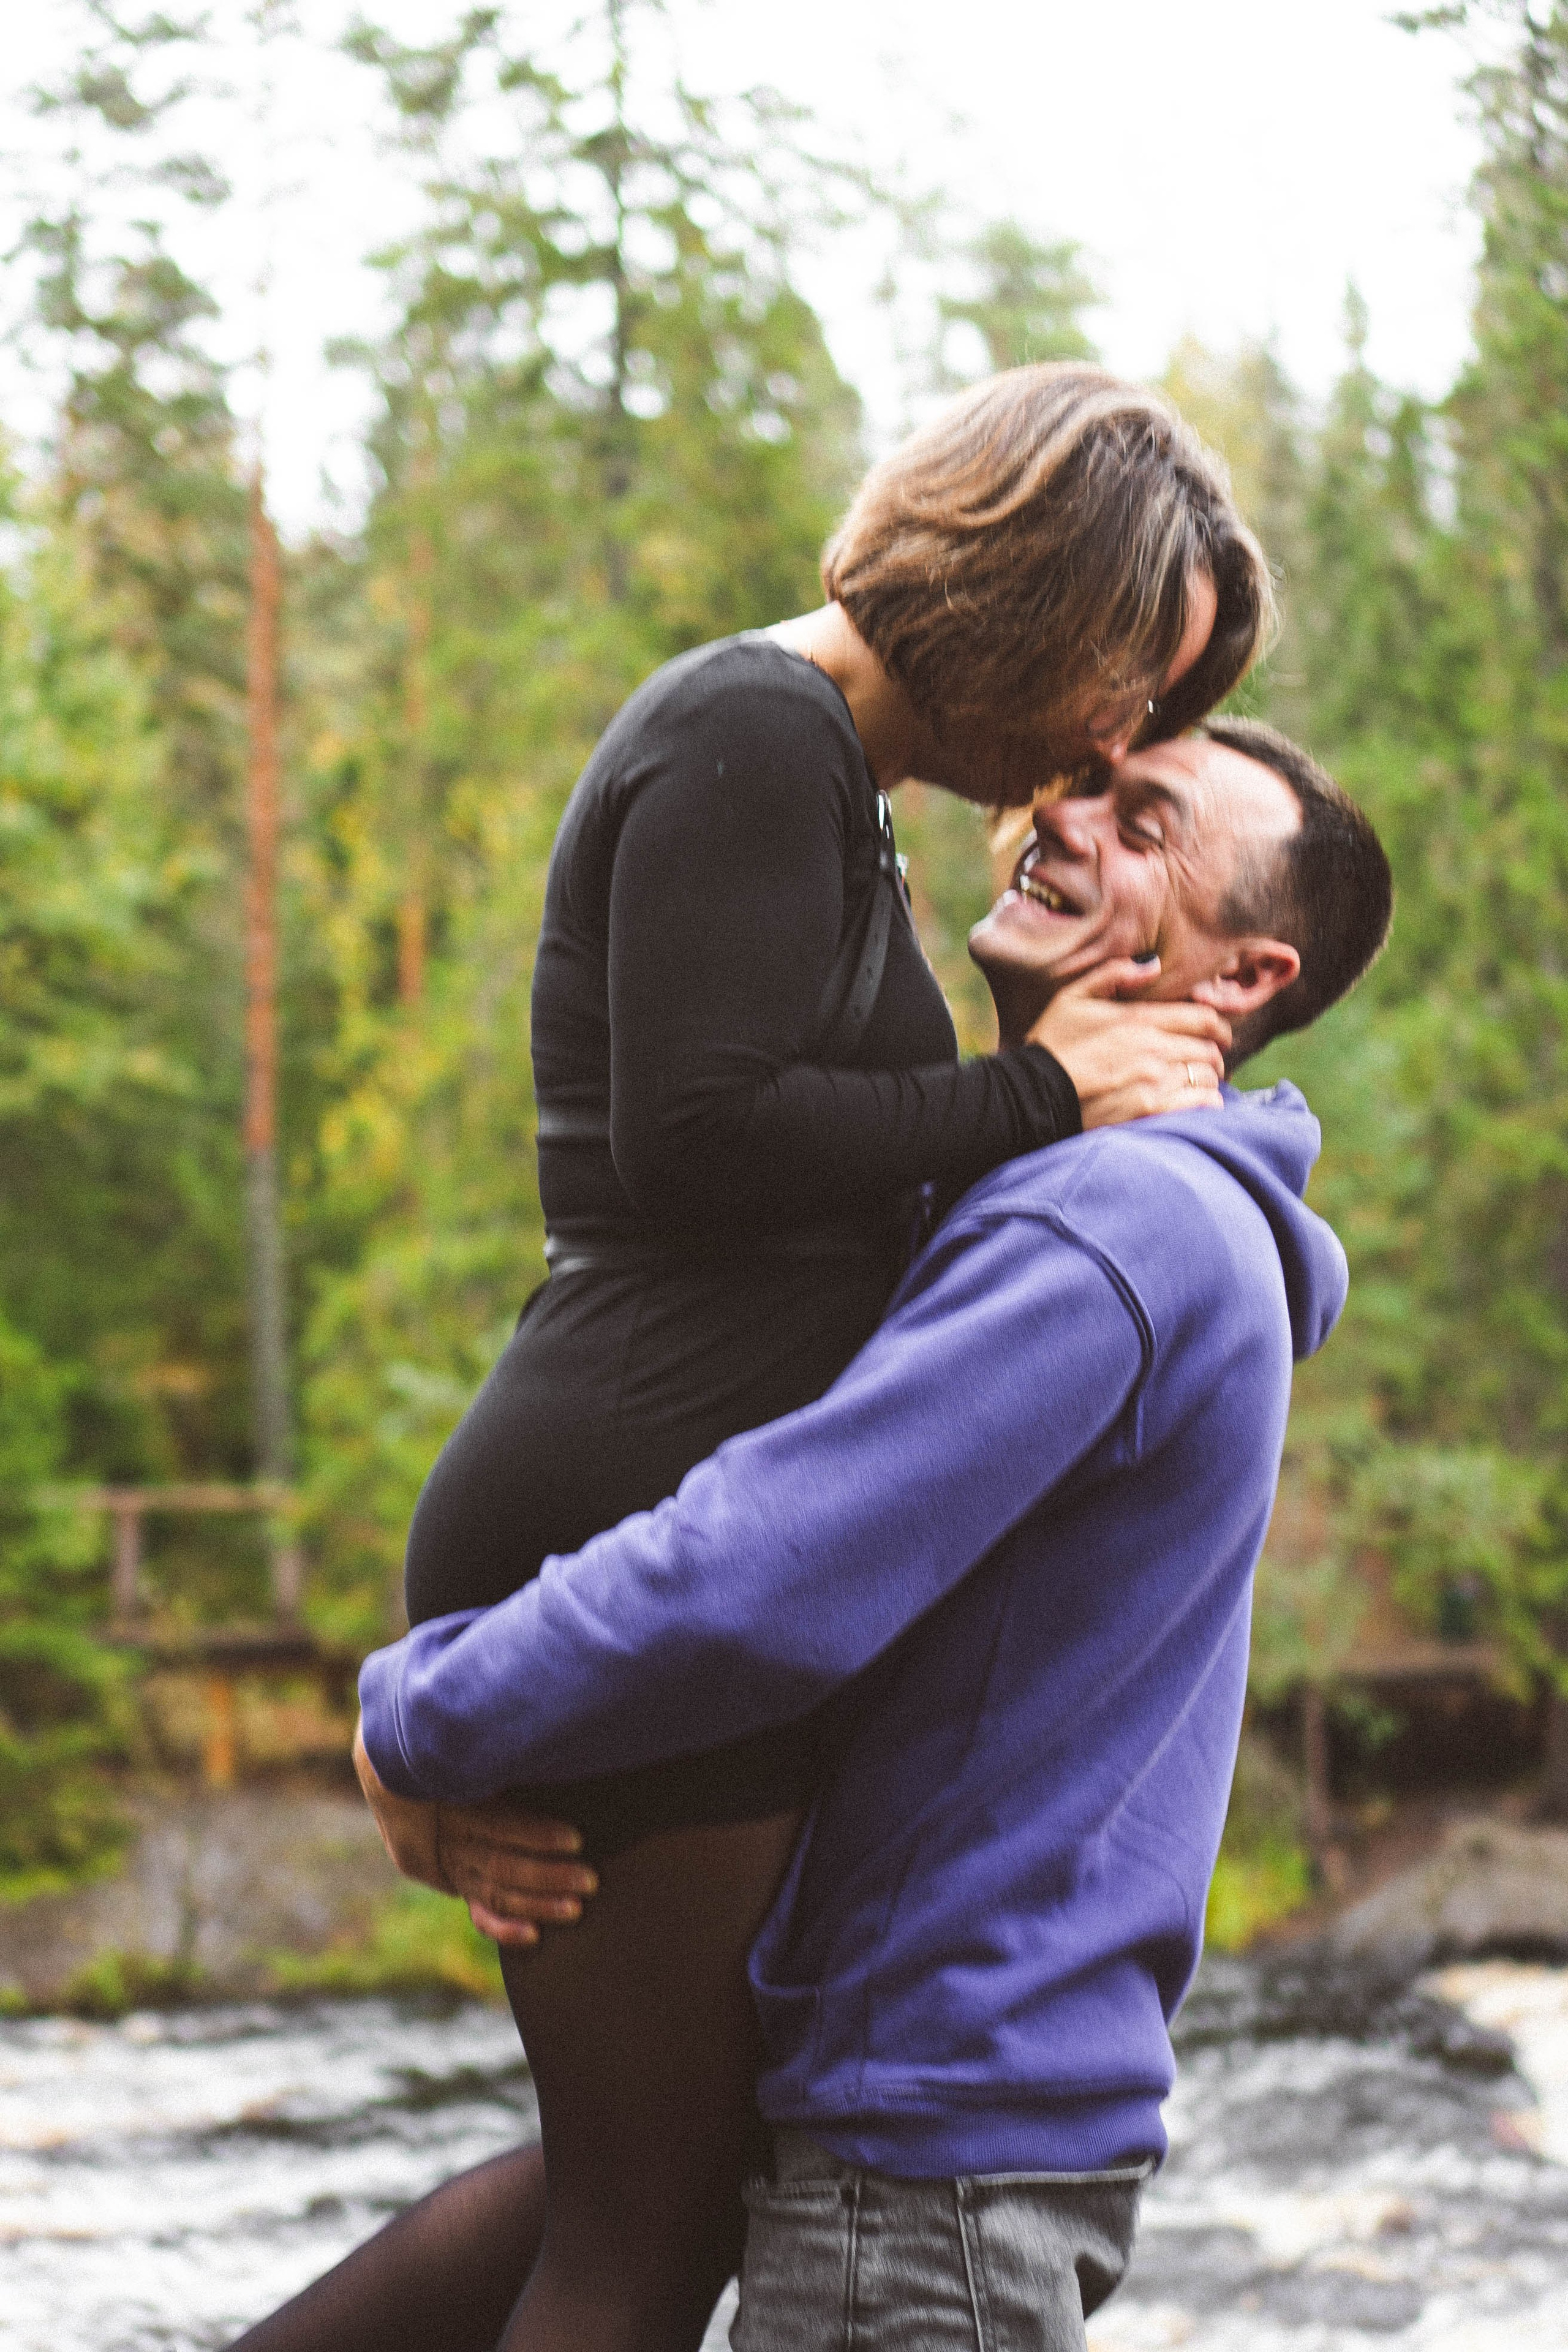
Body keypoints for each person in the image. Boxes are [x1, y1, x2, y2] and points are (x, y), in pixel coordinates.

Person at [230, 367, 1273, 2352]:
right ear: (1040, 591)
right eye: (1132, 686)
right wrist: (1041, 1093)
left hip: (655, 1507)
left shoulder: (831, 787)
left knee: (646, 2188)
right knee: (641, 2233)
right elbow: (694, 1138)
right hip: (620, 1505)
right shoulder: (748, 733)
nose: (1111, 739)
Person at [356, 717, 1393, 2351]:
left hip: (929, 2176)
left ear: (1244, 976)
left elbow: (763, 1577)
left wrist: (417, 1714)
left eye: (1145, 826)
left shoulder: (1112, 1227)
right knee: (592, 2207)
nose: (1068, 821)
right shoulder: (1087, 1194)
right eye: (1087, 785)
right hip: (939, 2127)